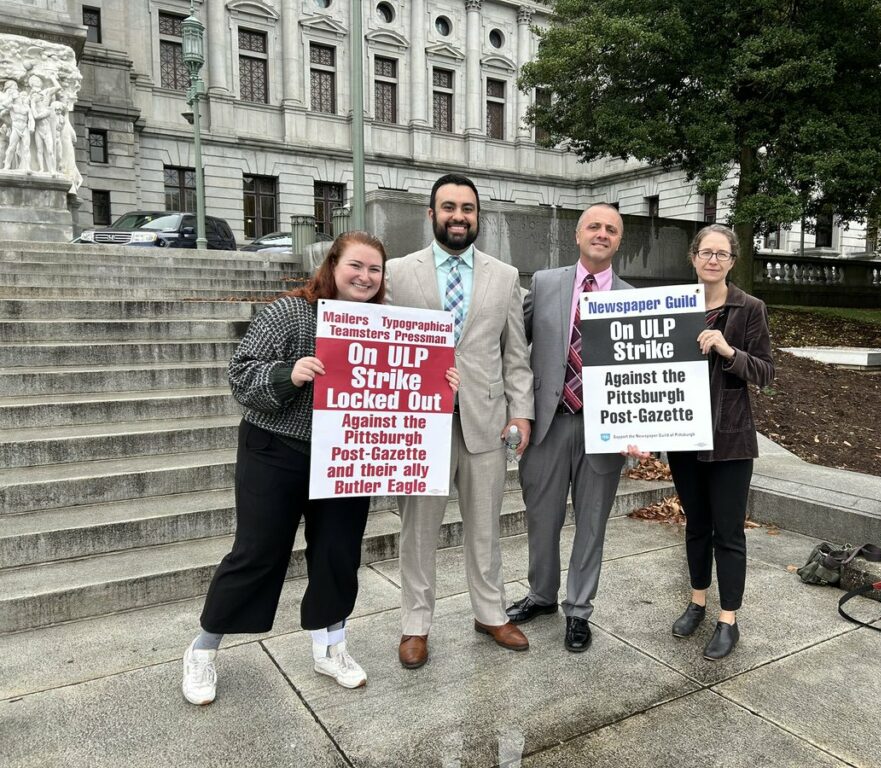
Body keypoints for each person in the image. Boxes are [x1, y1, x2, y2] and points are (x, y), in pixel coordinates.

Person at [181, 231, 459, 705]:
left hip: (348, 455)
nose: (365, 277)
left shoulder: (386, 324)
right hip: (277, 449)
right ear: (332, 265)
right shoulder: (289, 312)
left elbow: (403, 392)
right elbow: (240, 374)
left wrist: (439, 380)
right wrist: (288, 374)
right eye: (356, 265)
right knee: (257, 552)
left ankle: (330, 644)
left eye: (375, 269)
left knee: (337, 553)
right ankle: (204, 648)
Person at [386, 173, 534, 669]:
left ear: (478, 217)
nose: (458, 216)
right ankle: (415, 623)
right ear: (431, 214)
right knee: (418, 528)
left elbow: (515, 356)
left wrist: (522, 413)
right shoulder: (397, 273)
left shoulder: (505, 275)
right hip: (419, 422)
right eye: (448, 207)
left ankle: (490, 612)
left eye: (467, 209)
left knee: (485, 527)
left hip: (486, 421)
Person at [505, 203, 632, 653]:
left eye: (611, 230)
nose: (602, 234)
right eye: (594, 226)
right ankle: (542, 596)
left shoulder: (634, 299)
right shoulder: (545, 283)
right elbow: (514, 345)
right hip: (548, 424)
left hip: (605, 429)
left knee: (592, 523)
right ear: (578, 235)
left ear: (619, 241)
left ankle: (578, 610)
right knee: (542, 518)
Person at [662, 224, 774, 660]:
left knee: (728, 531)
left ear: (732, 261)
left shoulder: (749, 308)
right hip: (683, 434)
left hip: (729, 439)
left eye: (721, 254)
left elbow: (766, 372)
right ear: (693, 258)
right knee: (695, 524)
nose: (712, 260)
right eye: (705, 252)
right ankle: (696, 601)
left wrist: (729, 352)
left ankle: (728, 619)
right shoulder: (673, 307)